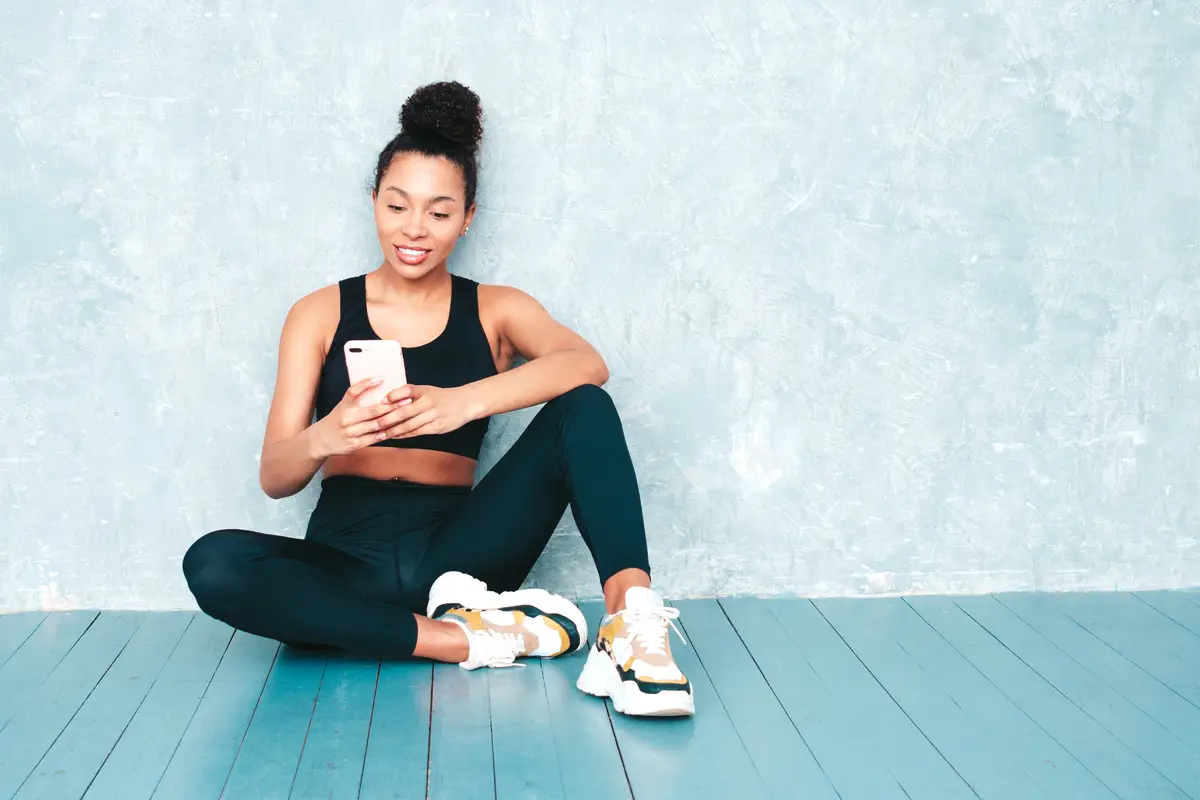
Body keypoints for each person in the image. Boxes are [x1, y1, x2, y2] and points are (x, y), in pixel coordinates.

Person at [182, 81, 694, 717]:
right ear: (374, 202)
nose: (414, 229)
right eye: (397, 207)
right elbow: (275, 477)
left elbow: (586, 364)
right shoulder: (316, 314)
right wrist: (328, 436)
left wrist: (463, 402)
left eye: (439, 211)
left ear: (468, 216)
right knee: (213, 563)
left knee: (584, 407)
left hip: (463, 563)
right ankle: (461, 641)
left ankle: (632, 629)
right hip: (346, 564)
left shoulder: (497, 308)